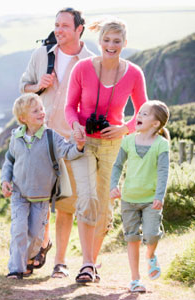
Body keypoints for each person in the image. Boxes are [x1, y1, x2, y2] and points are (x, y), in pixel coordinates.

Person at [65, 16, 148, 283]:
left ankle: (91, 263)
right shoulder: (82, 69)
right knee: (87, 199)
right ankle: (87, 264)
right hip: (84, 143)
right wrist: (76, 127)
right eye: (106, 40)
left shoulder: (134, 73)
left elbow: (143, 113)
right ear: (99, 41)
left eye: (116, 41)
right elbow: (70, 108)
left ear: (124, 43)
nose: (111, 45)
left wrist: (124, 128)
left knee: (103, 207)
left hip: (114, 144)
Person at [19, 8, 94, 278]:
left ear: (79, 29)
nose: (59, 30)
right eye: (56, 25)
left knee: (65, 204)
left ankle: (59, 263)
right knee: (37, 200)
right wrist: (38, 85)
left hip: (69, 143)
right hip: (39, 139)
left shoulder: (90, 62)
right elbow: (24, 87)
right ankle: (41, 244)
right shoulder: (42, 55)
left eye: (64, 26)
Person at [1, 93, 85, 279]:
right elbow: (9, 160)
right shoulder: (17, 136)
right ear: (23, 118)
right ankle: (16, 268)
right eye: (35, 110)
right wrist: (5, 180)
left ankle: (30, 259)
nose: (41, 112)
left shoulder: (51, 137)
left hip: (41, 197)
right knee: (18, 229)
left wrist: (78, 146)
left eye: (41, 108)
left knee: (36, 235)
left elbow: (67, 151)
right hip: (19, 194)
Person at [110, 100, 170, 292]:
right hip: (128, 199)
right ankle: (135, 279)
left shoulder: (161, 145)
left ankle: (150, 256)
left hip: (151, 200)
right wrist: (114, 185)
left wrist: (160, 196)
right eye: (139, 113)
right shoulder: (127, 140)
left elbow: (163, 172)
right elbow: (118, 165)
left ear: (156, 123)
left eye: (145, 114)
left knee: (152, 235)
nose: (139, 116)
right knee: (132, 238)